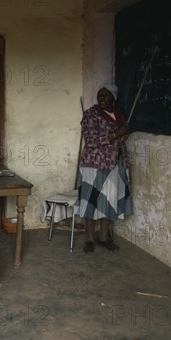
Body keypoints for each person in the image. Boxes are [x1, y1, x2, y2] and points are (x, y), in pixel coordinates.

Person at [76, 87, 132, 253]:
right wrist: (116, 134)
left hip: (115, 164)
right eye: (100, 95)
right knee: (91, 200)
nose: (102, 98)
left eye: (106, 96)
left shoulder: (119, 115)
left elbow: (121, 138)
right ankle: (90, 239)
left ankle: (104, 237)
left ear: (113, 98)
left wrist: (125, 132)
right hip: (94, 164)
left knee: (110, 200)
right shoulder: (90, 114)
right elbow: (91, 140)